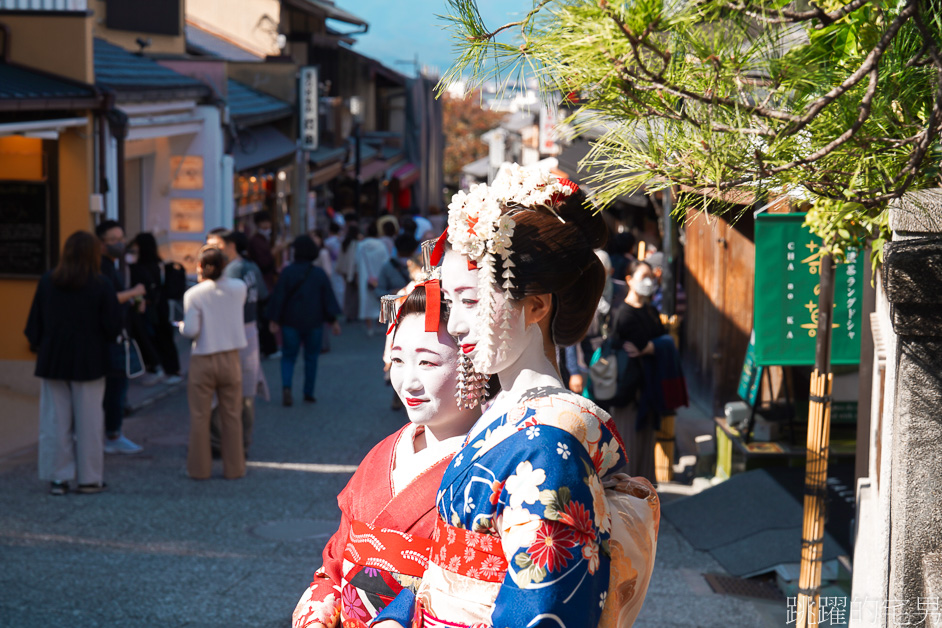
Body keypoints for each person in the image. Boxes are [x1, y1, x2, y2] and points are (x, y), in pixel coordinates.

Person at [373, 165, 658, 628]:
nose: (456, 323)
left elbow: (543, 611)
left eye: (470, 301)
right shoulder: (500, 414)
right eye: (451, 301)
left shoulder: (550, 443)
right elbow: (446, 576)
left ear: (536, 306)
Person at [291, 285, 482, 628]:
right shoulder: (385, 452)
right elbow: (335, 565)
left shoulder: (491, 468)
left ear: (476, 364)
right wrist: (318, 613)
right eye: (397, 360)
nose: (408, 382)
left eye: (427, 362)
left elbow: (481, 600)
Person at [25, 231, 122, 495]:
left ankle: (58, 478)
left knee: (54, 421)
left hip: (54, 357)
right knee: (90, 421)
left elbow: (35, 324)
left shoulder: (48, 281)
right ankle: (90, 478)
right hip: (90, 358)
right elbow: (112, 325)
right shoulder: (101, 284)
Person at [178, 246, 247, 480]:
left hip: (204, 358)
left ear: (200, 267)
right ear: (225, 265)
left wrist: (179, 326)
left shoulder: (194, 294)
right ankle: (235, 468)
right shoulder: (239, 288)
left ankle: (198, 470)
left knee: (200, 416)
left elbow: (191, 330)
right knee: (232, 414)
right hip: (231, 357)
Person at [206, 228, 268, 458]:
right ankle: (242, 444)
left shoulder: (229, 273)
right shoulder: (251, 267)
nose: (212, 249)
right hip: (250, 331)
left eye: (215, 244)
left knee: (224, 391)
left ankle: (221, 443)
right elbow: (262, 295)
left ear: (229, 245)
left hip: (230, 334)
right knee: (246, 392)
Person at [267, 235, 341, 407]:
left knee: (288, 356)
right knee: (311, 357)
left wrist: (274, 319)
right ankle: (308, 392)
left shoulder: (287, 272)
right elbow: (327, 299)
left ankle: (287, 387)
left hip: (290, 321)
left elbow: (279, 297)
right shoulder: (318, 274)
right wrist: (334, 321)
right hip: (314, 322)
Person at [610, 261, 666, 482]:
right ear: (629, 279)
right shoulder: (621, 314)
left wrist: (650, 348)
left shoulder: (652, 311)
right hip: (627, 393)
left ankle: (645, 505)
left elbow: (663, 342)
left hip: (649, 390)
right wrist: (651, 347)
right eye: (643, 276)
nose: (649, 281)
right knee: (627, 452)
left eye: (651, 276)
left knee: (645, 451)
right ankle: (625, 508)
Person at [95, 220, 146, 455]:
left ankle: (110, 432)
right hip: (108, 339)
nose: (120, 243)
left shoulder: (113, 266)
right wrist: (134, 293)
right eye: (113, 240)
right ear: (101, 244)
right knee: (115, 387)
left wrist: (134, 301)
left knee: (116, 387)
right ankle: (112, 434)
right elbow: (109, 298)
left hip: (117, 335)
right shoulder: (101, 267)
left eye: (121, 238)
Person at [127, 233, 183, 385]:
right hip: (161, 305)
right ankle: (170, 370)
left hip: (150, 307)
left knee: (152, 337)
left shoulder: (139, 267)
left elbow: (142, 289)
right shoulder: (159, 264)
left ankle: (158, 368)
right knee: (164, 337)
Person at [247, 211, 283, 358]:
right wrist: (274, 252)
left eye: (267, 222)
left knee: (265, 316)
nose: (266, 225)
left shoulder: (262, 239)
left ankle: (268, 347)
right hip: (263, 283)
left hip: (265, 282)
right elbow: (263, 263)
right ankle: (269, 348)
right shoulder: (257, 241)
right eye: (263, 223)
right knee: (265, 316)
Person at [355, 222, 390, 336]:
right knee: (379, 300)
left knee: (366, 301)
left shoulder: (361, 245)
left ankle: (369, 327)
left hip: (365, 276)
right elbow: (386, 261)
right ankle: (380, 324)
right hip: (379, 276)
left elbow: (357, 262)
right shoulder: (381, 245)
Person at [335, 224, 360, 322]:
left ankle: (348, 313)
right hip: (353, 271)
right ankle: (353, 313)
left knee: (348, 293)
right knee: (354, 294)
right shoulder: (355, 243)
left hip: (345, 271)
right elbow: (354, 260)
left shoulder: (345, 242)